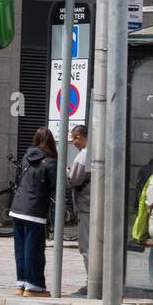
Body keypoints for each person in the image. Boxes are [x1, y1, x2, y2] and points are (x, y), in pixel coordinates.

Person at [9, 127, 58, 297]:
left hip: (17, 208)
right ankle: (34, 286)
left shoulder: (27, 157)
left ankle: (21, 283)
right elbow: (56, 187)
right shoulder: (51, 161)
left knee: (21, 249)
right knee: (34, 250)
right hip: (34, 211)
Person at [66, 125, 91, 296]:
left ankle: (92, 283)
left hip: (87, 206)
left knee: (87, 246)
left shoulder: (83, 155)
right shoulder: (94, 152)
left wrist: (67, 172)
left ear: (81, 137)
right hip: (92, 205)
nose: (73, 141)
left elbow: (74, 179)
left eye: (74, 138)